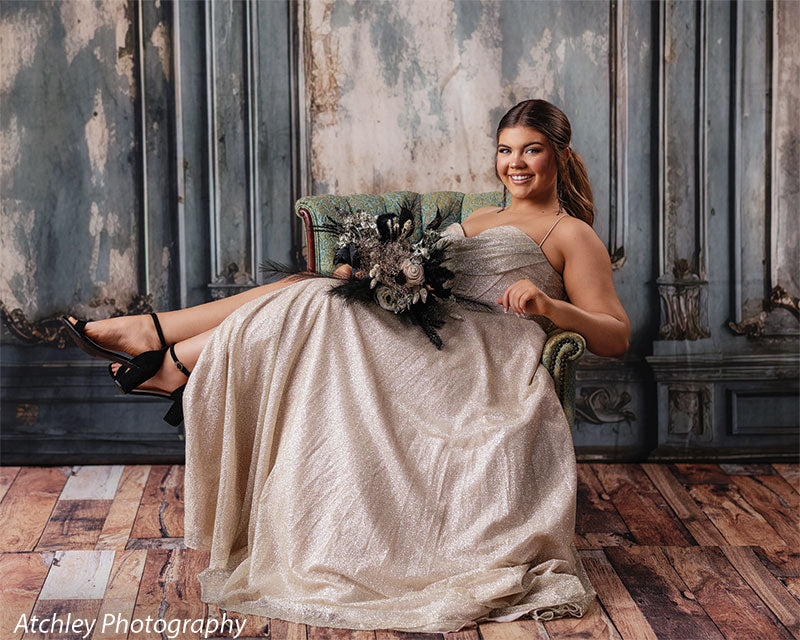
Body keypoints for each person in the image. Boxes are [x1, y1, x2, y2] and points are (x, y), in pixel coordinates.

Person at [63, 99, 629, 632]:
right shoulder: (482, 216)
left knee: (307, 299)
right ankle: (161, 349)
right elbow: (426, 276)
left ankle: (167, 355)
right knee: (306, 288)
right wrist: (373, 277)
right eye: (506, 150)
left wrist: (551, 306)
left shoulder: (572, 235)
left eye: (531, 149)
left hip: (482, 357)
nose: (515, 163)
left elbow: (617, 336)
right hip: (429, 333)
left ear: (560, 154)